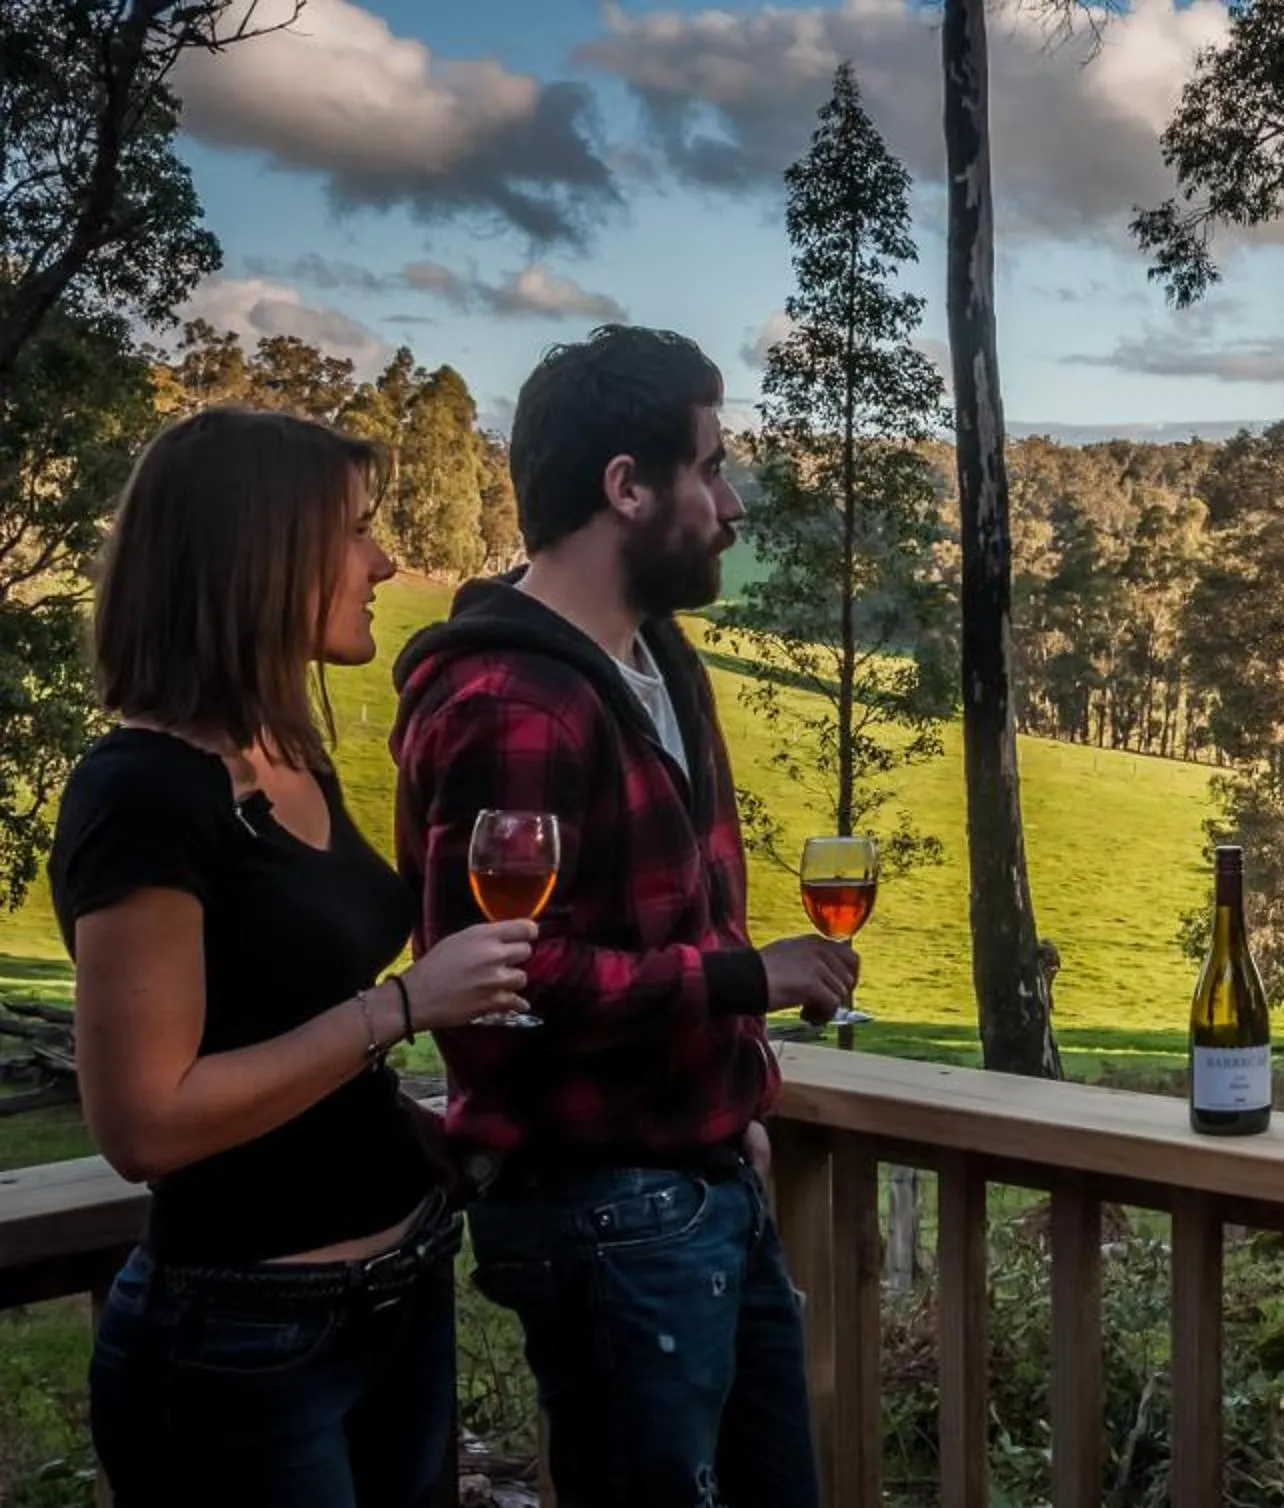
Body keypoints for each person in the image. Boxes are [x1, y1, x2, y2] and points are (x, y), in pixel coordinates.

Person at [388, 325, 859, 1506]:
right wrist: (747, 984)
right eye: (709, 466)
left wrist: (726, 1104)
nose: (732, 501)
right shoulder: (513, 701)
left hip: (699, 1185)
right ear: (627, 486)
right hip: (602, 1218)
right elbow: (501, 984)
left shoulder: (656, 660)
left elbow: (671, 912)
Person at [49, 408, 537, 1507]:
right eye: (356, 532)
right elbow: (145, 1123)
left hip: (402, 1291)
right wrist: (404, 1004)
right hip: (245, 1342)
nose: (386, 560)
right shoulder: (140, 794)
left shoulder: (286, 753)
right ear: (259, 557)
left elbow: (283, 1007)